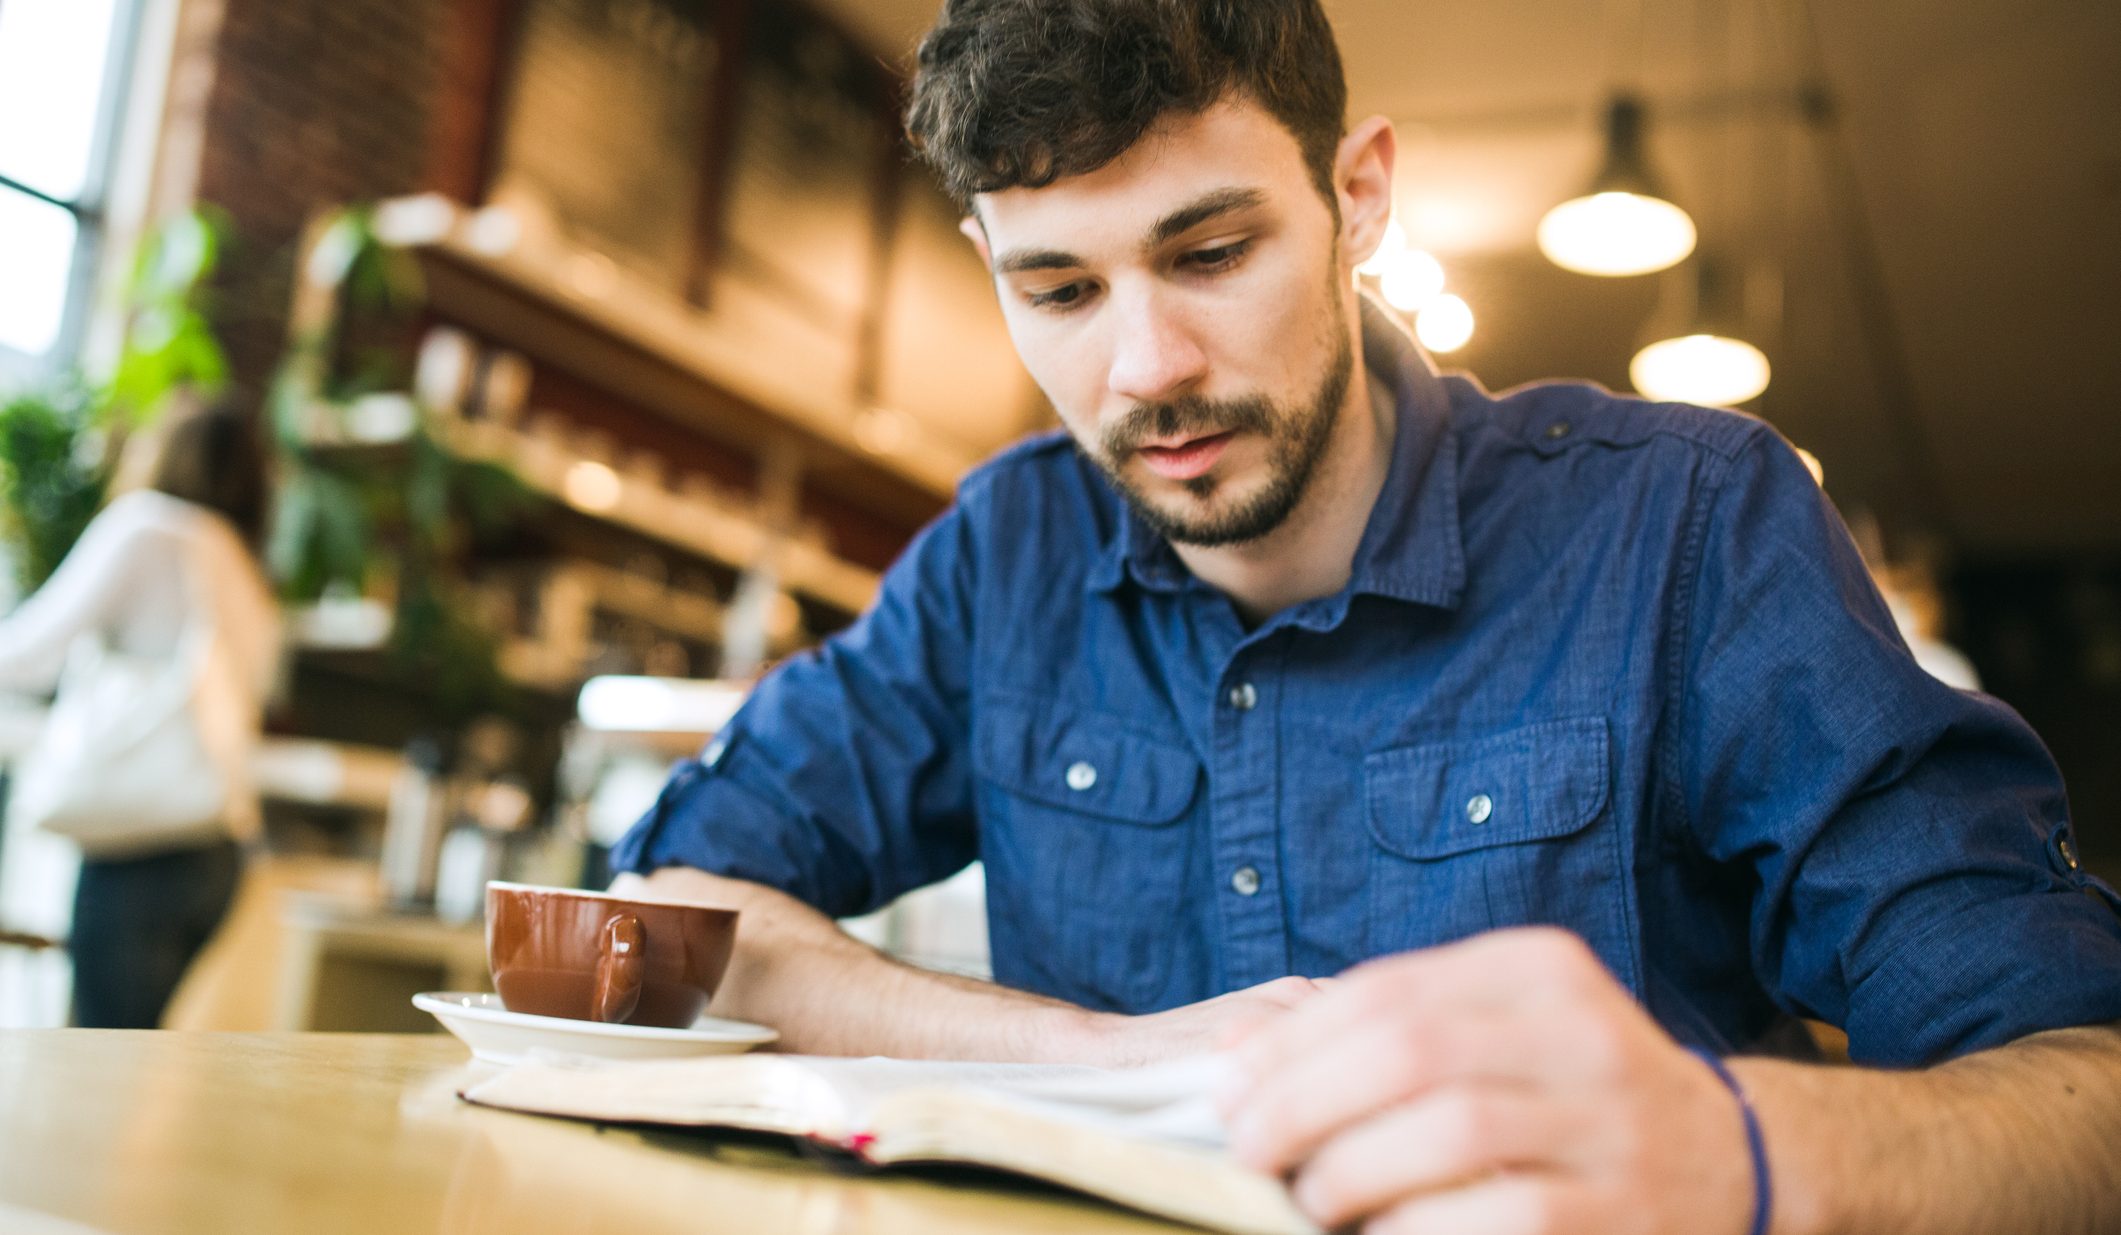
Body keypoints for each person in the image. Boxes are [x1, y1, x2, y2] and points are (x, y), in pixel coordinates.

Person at [612, 0, 2121, 1229]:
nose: (1147, 366)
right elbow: (667, 914)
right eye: (1059, 290)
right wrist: (1108, 1059)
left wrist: (1741, 1146)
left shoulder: (1683, 526)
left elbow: (2084, 1086)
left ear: (1358, 196)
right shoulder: (1005, 551)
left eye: (1210, 253)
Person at [0, 399, 279, 1028]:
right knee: (119, 1054)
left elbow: (28, 655)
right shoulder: (246, 567)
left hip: (142, 847)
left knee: (92, 1063)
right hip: (216, 856)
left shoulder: (150, 527)